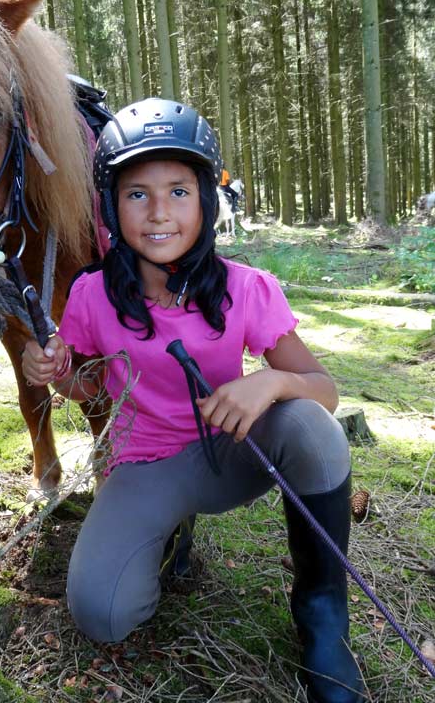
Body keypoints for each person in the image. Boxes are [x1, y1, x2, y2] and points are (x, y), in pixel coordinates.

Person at [22, 99, 365, 703]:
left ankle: (323, 617)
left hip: (234, 454)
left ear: (206, 199)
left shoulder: (246, 288)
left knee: (313, 428)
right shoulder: (92, 295)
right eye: (137, 194)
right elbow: (86, 387)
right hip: (143, 467)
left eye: (178, 192)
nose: (159, 212)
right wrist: (52, 371)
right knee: (103, 614)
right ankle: (164, 536)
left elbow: (324, 390)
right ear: (111, 205)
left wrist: (271, 383)